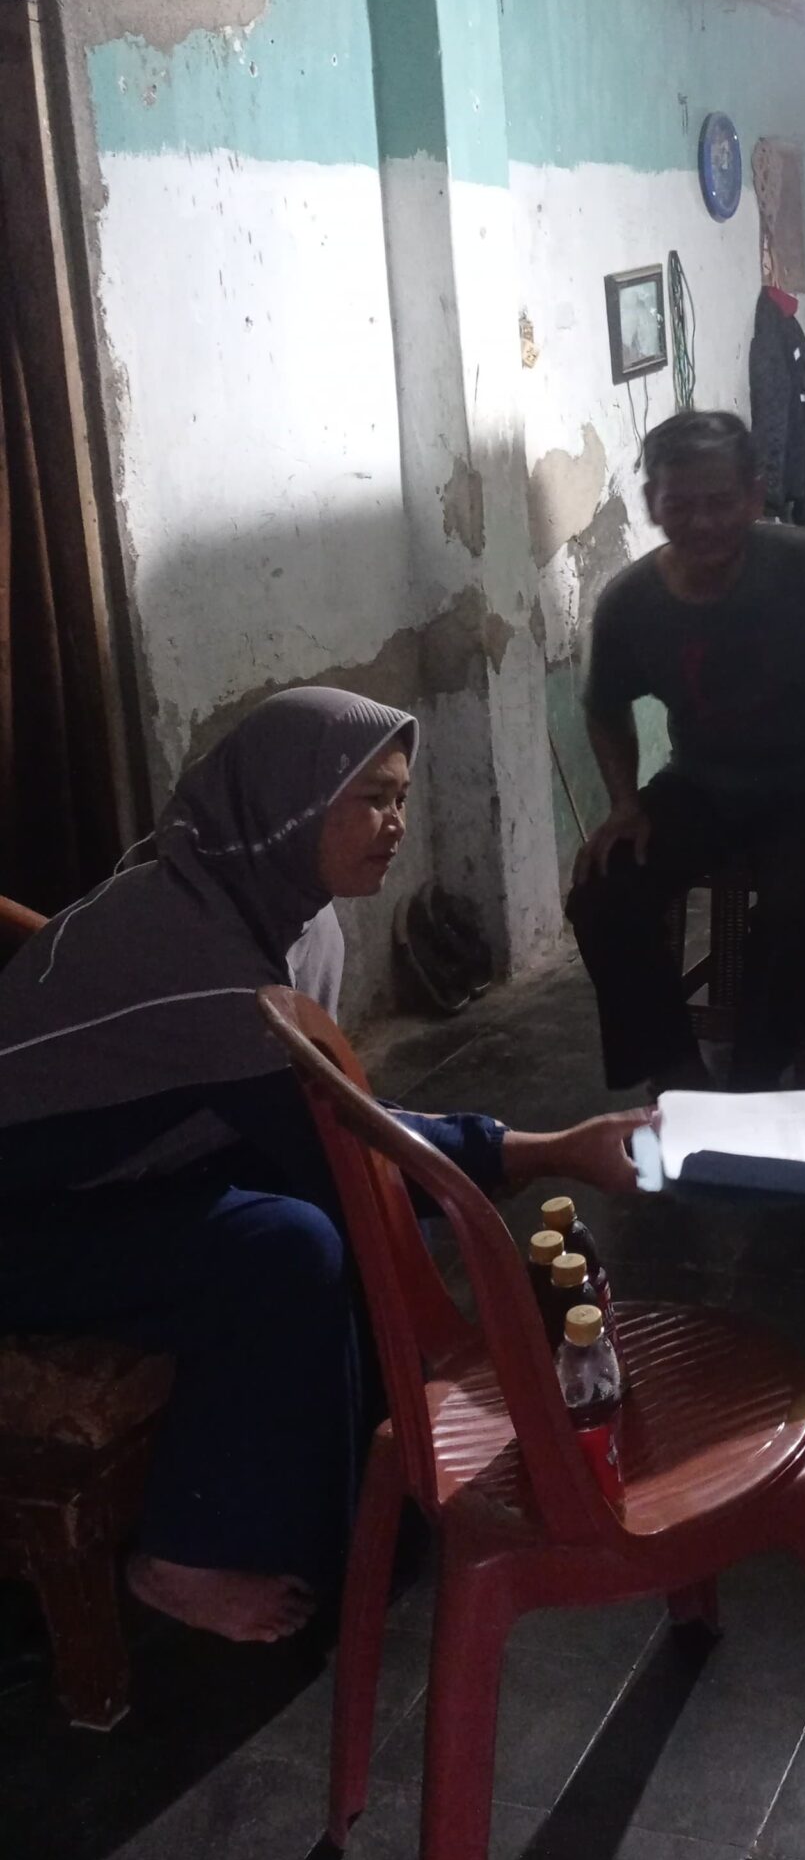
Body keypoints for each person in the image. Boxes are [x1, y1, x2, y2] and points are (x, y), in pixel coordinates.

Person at [0, 688, 642, 1646]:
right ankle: (182, 1557)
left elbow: (329, 1120)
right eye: (369, 799)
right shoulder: (197, 952)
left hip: (106, 1176)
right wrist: (547, 1152)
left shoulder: (289, 916)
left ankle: (362, 1491)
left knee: (319, 1216)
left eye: (401, 797)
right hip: (24, 1215)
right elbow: (345, 1142)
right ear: (287, 804)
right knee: (288, 1242)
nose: (396, 823)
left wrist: (530, 1150)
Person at [567, 407, 805, 1091]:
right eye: (681, 504)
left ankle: (756, 1083)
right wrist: (623, 803)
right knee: (602, 888)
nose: (702, 522)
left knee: (803, 900)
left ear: (754, 496)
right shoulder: (630, 602)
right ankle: (675, 1076)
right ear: (651, 502)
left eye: (720, 502)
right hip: (702, 784)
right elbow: (603, 703)